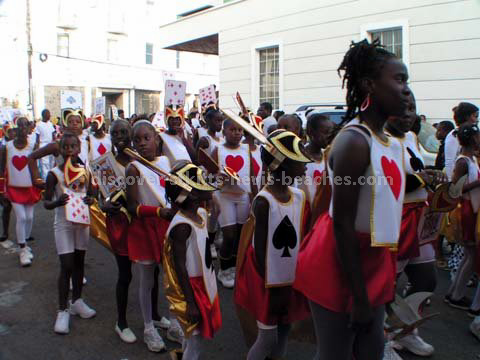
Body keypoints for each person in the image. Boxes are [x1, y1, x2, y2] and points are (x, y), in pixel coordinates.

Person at [295, 39, 410, 360]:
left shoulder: (391, 141)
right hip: (339, 261)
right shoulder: (354, 142)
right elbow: (342, 223)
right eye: (399, 80)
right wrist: (359, 297)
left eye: (407, 81)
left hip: (373, 260)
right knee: (336, 353)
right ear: (369, 84)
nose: (406, 89)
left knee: (372, 350)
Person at [235, 129, 311, 360]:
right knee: (267, 337)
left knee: (285, 329)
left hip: (291, 279)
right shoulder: (264, 202)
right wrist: (276, 290)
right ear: (282, 164)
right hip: (267, 282)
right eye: (300, 162)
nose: (306, 167)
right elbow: (260, 254)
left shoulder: (299, 196)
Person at [385, 96, 446, 357]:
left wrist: (431, 177)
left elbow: (413, 174)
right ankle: (382, 340)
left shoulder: (410, 137)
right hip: (393, 220)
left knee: (426, 280)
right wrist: (420, 179)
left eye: (413, 110)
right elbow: (387, 181)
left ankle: (406, 331)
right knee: (386, 286)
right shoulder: (378, 140)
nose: (409, 115)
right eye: (403, 109)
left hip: (419, 218)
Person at [125, 120, 180, 352]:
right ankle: (149, 328)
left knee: (171, 279)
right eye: (137, 140)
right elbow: (132, 206)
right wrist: (159, 211)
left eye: (146, 138)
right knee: (147, 281)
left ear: (156, 139)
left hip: (165, 226)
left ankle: (175, 323)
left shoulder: (166, 161)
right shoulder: (133, 169)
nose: (142, 143)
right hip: (144, 228)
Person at [164, 161, 222, 360]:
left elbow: (210, 231)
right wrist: (190, 303)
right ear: (192, 193)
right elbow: (179, 266)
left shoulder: (199, 214)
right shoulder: (182, 226)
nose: (207, 185)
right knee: (195, 341)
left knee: (192, 338)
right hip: (191, 288)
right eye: (201, 183)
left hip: (202, 283)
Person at [44, 132, 96, 334]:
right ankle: (63, 310)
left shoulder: (85, 172)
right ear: (60, 149)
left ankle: (77, 302)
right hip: (63, 224)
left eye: (73, 146)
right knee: (66, 266)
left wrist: (91, 201)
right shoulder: (53, 174)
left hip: (82, 223)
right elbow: (46, 203)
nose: (69, 150)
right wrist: (58, 202)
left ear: (78, 148)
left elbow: (91, 195)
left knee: (80, 263)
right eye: (65, 146)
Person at [211, 119, 257, 288]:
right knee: (229, 236)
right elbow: (208, 172)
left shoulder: (246, 150)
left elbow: (252, 175)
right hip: (225, 197)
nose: (237, 133)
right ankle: (223, 269)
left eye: (239, 130)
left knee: (239, 236)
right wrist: (217, 178)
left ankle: (235, 267)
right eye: (232, 129)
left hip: (243, 197)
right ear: (224, 132)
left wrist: (255, 196)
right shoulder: (218, 150)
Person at [445, 123, 480, 315]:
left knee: (469, 255)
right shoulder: (463, 162)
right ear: (473, 138)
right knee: (471, 255)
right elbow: (454, 190)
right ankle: (456, 295)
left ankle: (453, 293)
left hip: (472, 208)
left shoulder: (471, 159)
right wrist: (477, 183)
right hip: (466, 210)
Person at [0, 117, 42, 266]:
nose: (23, 129)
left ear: (29, 128)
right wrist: (1, 189)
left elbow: (38, 164)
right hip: (14, 188)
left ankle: (25, 242)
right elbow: (1, 168)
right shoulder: (7, 146)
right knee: (22, 217)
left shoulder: (33, 145)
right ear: (16, 129)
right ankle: (22, 249)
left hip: (30, 187)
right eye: (20, 126)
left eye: (26, 125)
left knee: (30, 217)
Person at [297, 113, 333, 212]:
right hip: (303, 213)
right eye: (325, 132)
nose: (328, 136)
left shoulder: (328, 156)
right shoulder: (300, 157)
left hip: (322, 214)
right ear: (311, 132)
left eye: (331, 133)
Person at [444, 102, 479, 180]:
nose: (477, 120)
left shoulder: (472, 134)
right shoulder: (453, 135)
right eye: (475, 116)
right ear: (466, 117)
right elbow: (450, 162)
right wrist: (450, 185)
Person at [35, 109, 55, 179]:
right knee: (44, 164)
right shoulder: (38, 125)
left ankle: (51, 178)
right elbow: (37, 138)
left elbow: (53, 135)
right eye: (48, 114)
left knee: (51, 162)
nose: (49, 115)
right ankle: (45, 180)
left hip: (51, 145)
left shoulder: (50, 124)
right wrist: (37, 149)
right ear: (44, 115)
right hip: (43, 146)